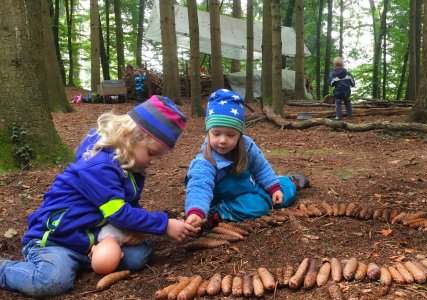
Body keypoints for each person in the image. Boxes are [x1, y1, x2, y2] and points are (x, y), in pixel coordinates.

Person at [0, 95, 199, 297]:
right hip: (61, 239)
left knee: (139, 256)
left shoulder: (131, 166)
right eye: (151, 153)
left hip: (94, 237)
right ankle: (5, 270)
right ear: (131, 136)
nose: (154, 161)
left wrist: (138, 229)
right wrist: (164, 225)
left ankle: (89, 259)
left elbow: (129, 204)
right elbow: (119, 213)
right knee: (50, 282)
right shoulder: (99, 166)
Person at [184, 89, 309, 228]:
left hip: (251, 187)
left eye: (230, 135)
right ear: (208, 132)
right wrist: (196, 211)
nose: (222, 140)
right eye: (216, 133)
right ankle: (217, 214)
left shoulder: (247, 146)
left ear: (240, 134)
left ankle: (291, 182)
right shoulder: (204, 161)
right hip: (228, 201)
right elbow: (199, 186)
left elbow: (261, 167)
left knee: (281, 194)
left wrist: (274, 188)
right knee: (256, 205)